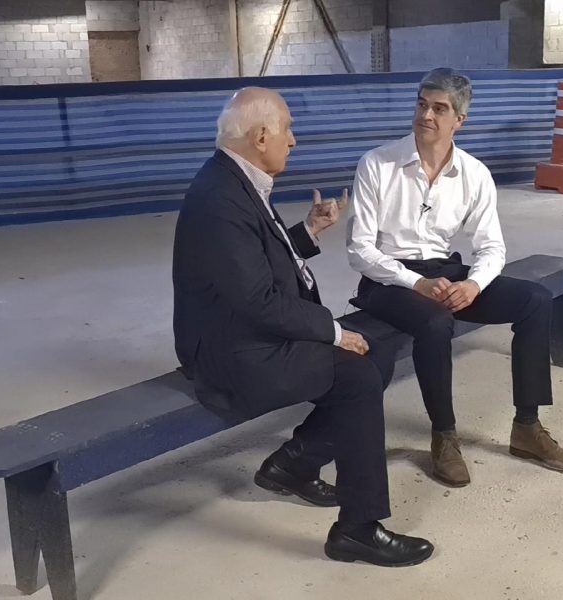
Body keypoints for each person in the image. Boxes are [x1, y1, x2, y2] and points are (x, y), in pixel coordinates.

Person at [172, 87, 433, 566]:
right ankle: (357, 528)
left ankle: (294, 465)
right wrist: (332, 330)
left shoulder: (233, 179)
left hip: (245, 332)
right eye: (288, 129)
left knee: (373, 355)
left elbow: (253, 264)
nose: (293, 140)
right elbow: (256, 300)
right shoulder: (219, 200)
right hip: (232, 354)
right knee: (357, 373)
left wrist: (307, 233)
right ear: (262, 134)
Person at [346, 68, 563, 488]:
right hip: (387, 280)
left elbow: (491, 246)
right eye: (422, 105)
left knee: (534, 299)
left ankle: (526, 427)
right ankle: (444, 436)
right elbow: (360, 250)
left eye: (440, 109)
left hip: (445, 271)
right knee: (435, 322)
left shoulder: (474, 173)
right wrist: (413, 283)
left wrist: (472, 284)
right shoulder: (377, 164)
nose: (426, 116)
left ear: (460, 120)